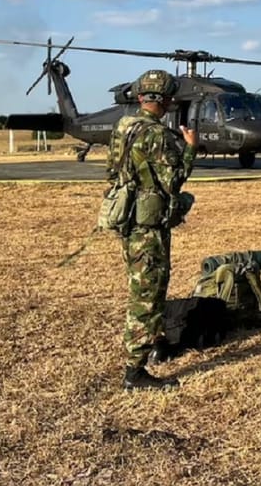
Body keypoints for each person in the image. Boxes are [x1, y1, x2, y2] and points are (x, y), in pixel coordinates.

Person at [106, 69, 197, 391]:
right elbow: (173, 181)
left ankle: (156, 343)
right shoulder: (157, 135)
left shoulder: (123, 127)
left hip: (131, 220)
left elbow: (112, 170)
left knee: (150, 284)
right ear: (164, 100)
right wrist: (189, 148)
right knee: (146, 293)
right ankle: (135, 371)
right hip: (147, 226)